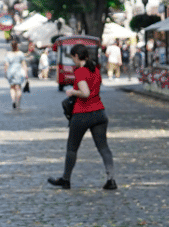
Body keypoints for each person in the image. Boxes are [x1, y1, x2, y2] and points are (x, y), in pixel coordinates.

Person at [48, 44, 117, 190]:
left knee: (72, 148)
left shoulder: (80, 71)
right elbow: (94, 90)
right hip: (99, 112)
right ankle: (111, 179)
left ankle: (66, 179)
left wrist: (72, 92)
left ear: (77, 56)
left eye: (73, 57)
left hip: (82, 114)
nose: (73, 60)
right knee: (103, 147)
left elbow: (85, 93)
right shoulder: (96, 70)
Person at [5, 39, 27, 109]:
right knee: (18, 88)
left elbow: (6, 64)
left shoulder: (8, 54)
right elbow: (24, 64)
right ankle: (18, 103)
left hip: (11, 71)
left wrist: (6, 72)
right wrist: (26, 73)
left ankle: (13, 100)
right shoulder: (20, 54)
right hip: (18, 71)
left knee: (12, 87)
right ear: (17, 46)